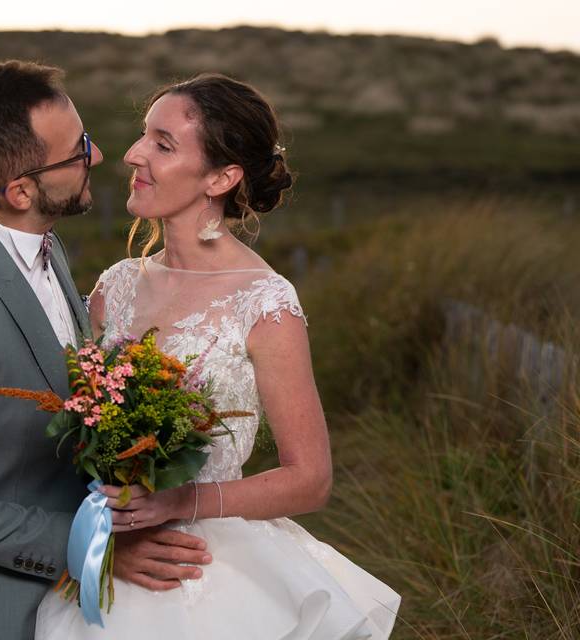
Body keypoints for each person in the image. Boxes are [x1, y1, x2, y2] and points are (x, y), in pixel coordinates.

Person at [36, 73, 401, 638]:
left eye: (162, 144)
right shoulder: (116, 285)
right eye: (142, 136)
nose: (133, 155)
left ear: (221, 177)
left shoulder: (265, 302)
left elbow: (311, 479)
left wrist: (183, 499)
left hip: (210, 569)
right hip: (107, 551)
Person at [0, 60, 212, 640]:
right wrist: (85, 545)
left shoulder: (40, 242)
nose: (99, 156)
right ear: (18, 191)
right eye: (77, 152)